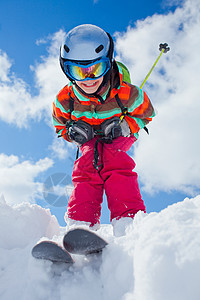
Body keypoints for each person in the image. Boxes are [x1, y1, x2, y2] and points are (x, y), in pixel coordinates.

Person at [53, 24, 155, 235]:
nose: (88, 79)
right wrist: (72, 132)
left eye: (96, 69)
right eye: (78, 71)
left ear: (108, 64)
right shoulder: (65, 101)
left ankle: (128, 219)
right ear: (66, 70)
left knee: (113, 161)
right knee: (85, 168)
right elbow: (59, 125)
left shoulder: (126, 94)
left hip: (117, 133)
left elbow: (147, 113)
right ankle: (81, 224)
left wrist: (126, 126)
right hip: (89, 137)